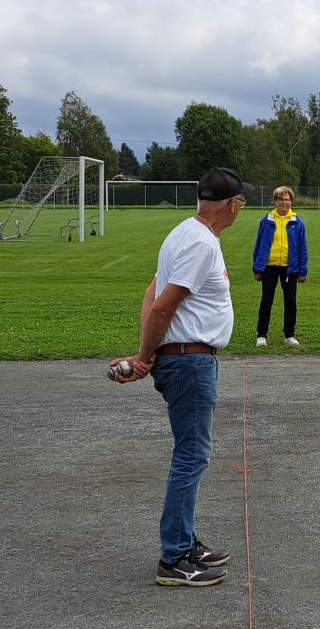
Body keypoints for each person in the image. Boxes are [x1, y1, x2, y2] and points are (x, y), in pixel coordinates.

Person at [109, 167, 254, 587]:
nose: (242, 207)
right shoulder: (201, 243)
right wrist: (144, 356)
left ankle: (185, 542)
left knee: (192, 454)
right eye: (241, 201)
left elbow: (151, 293)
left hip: (184, 357)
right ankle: (174, 557)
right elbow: (160, 306)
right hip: (190, 361)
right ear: (232, 205)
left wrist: (147, 354)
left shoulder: (184, 233)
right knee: (191, 456)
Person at [250, 185, 308, 347]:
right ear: (275, 202)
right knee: (266, 301)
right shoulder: (266, 221)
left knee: (290, 302)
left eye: (287, 199)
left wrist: (303, 270)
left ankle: (289, 335)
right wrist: (257, 268)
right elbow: (259, 245)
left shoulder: (297, 222)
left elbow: (302, 247)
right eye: (281, 199)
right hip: (269, 267)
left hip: (290, 268)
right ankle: (261, 335)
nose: (284, 202)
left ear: (291, 201)